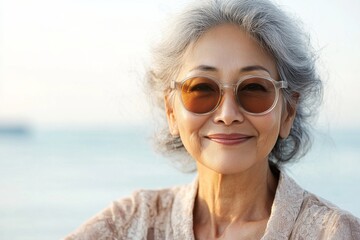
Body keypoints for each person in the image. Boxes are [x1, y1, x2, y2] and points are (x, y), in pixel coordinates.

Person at [64, 0, 360, 239]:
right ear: (171, 111)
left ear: (288, 111)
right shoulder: (128, 224)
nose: (228, 114)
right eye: (202, 89)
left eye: (254, 89)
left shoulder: (334, 233)